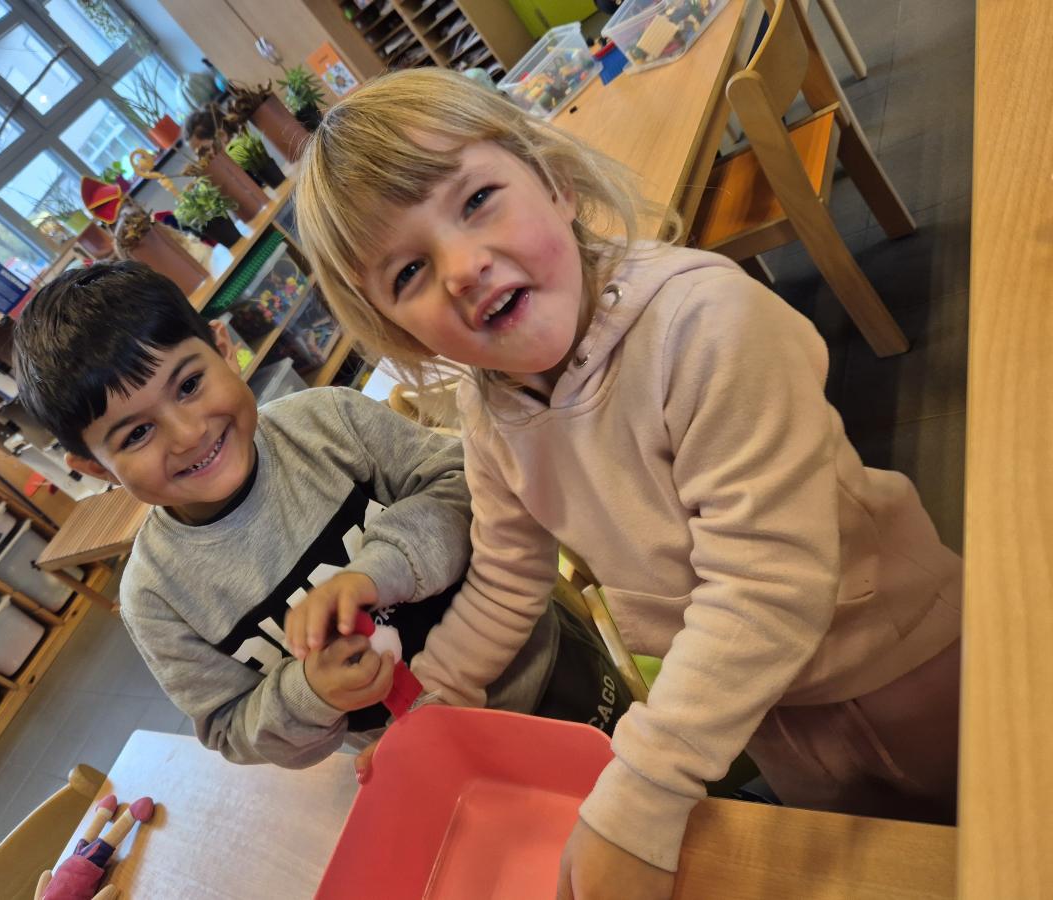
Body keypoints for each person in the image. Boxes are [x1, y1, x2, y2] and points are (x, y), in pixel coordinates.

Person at [294, 69, 962, 898]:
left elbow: (765, 584)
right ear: (401, 331)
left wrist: (643, 789)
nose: (461, 268)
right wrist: (435, 700)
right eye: (408, 274)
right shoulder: (490, 413)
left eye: (476, 201)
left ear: (556, 184)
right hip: (758, 708)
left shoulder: (704, 324)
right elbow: (506, 579)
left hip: (901, 657)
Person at [12, 260, 631, 770]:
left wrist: (373, 573)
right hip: (438, 755)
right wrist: (309, 694)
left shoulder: (329, 422)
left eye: (189, 385)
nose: (187, 433)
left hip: (547, 665)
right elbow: (230, 728)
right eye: (137, 433)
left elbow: (470, 490)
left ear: (224, 349)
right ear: (95, 468)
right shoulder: (155, 597)